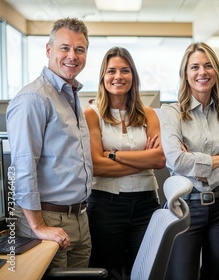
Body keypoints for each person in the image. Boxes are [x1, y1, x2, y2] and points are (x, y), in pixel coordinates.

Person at [6, 17, 93, 268]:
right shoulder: (34, 98)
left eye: (79, 49)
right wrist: (38, 226)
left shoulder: (70, 94)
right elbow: (23, 166)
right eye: (64, 48)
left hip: (79, 218)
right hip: (46, 218)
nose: (72, 56)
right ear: (48, 50)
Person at [160, 42, 219, 280]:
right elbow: (176, 160)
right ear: (185, 74)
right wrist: (218, 159)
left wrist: (202, 172)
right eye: (195, 67)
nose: (202, 72)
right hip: (185, 207)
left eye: (208, 66)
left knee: (214, 276)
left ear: (216, 71)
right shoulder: (171, 113)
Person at [84, 47, 166, 279]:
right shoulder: (91, 115)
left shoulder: (149, 114)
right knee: (111, 272)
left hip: (146, 203)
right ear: (103, 77)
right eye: (111, 71)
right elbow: (96, 166)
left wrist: (113, 154)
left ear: (133, 76)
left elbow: (159, 159)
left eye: (125, 70)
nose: (118, 76)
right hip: (105, 205)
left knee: (145, 270)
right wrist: (143, 159)